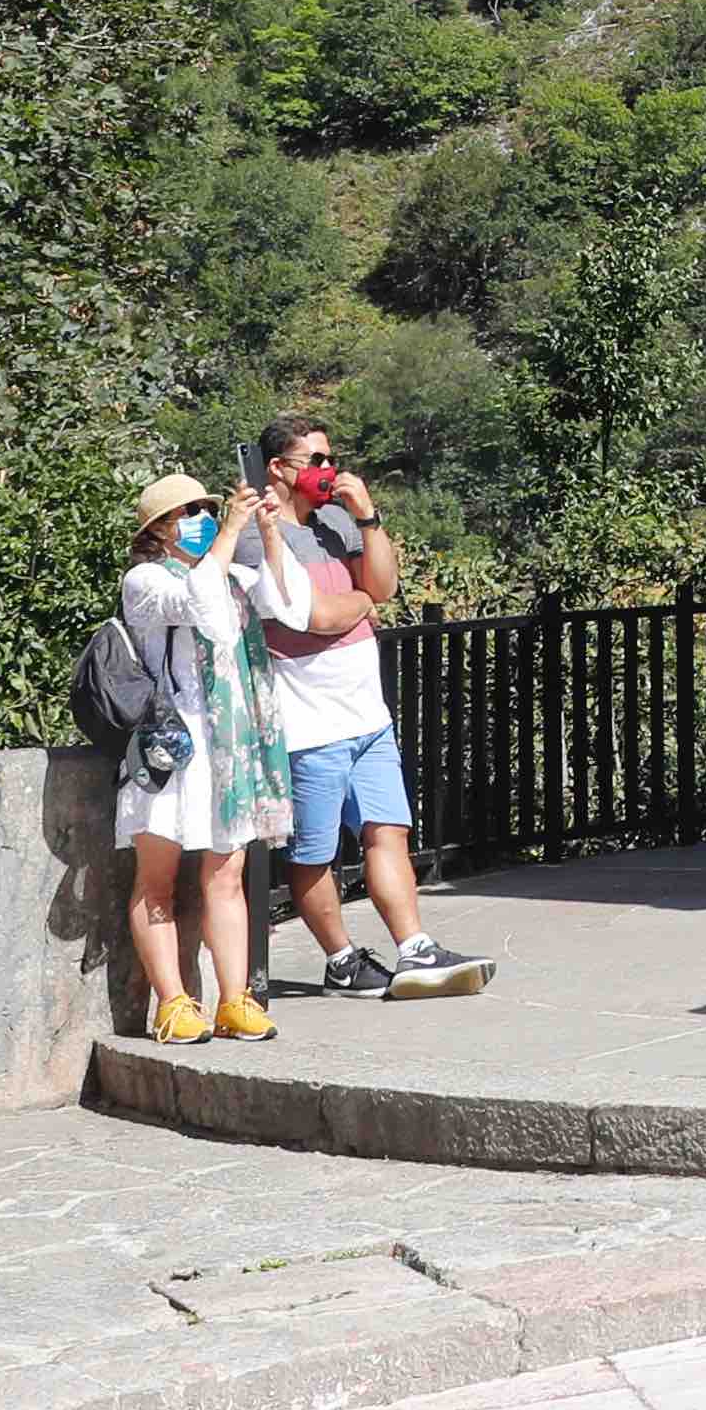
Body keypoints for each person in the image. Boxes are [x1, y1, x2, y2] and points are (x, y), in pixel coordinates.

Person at [247, 416, 485, 1001]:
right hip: (308, 724)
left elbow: (384, 586)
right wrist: (359, 602)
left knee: (389, 833)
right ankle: (342, 961)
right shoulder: (261, 535)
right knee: (314, 854)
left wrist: (367, 516)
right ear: (280, 468)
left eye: (331, 460)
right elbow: (313, 616)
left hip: (367, 719)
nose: (329, 471)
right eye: (318, 461)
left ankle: (414, 949)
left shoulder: (334, 521)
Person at [112, 470, 299, 1045]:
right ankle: (172, 1002)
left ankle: (235, 999)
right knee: (158, 878)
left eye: (206, 509)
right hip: (172, 747)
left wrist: (267, 533)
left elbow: (289, 602)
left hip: (230, 747)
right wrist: (228, 534)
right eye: (187, 513)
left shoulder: (229, 573)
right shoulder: (144, 580)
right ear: (159, 530)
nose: (201, 519)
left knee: (229, 873)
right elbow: (200, 607)